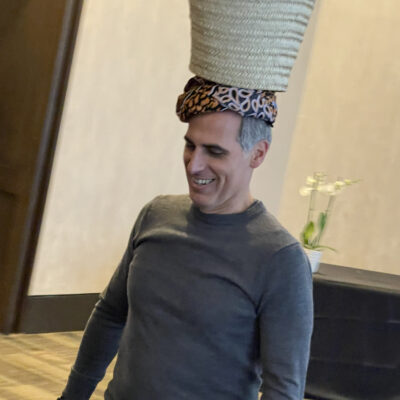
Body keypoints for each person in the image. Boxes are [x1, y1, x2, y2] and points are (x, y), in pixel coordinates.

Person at [59, 77, 313, 400]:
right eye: (190, 145)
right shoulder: (155, 216)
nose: (194, 165)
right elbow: (110, 313)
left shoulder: (280, 259)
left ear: (258, 154)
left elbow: (283, 389)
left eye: (215, 152)